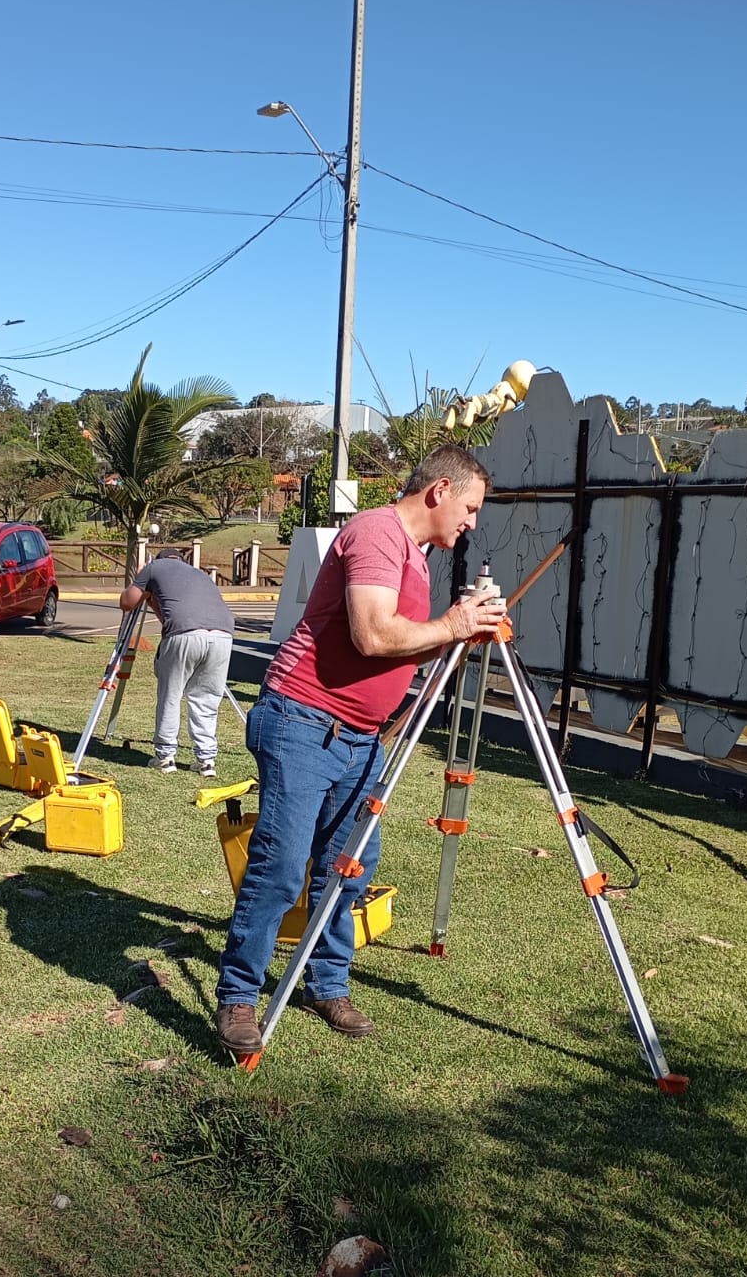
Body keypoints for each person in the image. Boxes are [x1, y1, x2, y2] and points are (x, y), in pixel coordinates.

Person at [213, 445, 507, 1055]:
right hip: (303, 720)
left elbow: (401, 646)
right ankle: (240, 997)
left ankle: (327, 984)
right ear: (439, 491)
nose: (472, 522)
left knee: (349, 867)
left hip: (359, 737)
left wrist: (461, 635)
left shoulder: (419, 558)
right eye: (471, 508)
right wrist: (452, 625)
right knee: (282, 863)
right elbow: (372, 635)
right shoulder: (376, 532)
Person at [118, 548, 235, 776]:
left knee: (170, 695)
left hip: (184, 635)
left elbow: (126, 602)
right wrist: (153, 600)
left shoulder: (153, 568)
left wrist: (141, 579)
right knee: (206, 699)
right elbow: (171, 615)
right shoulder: (199, 573)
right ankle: (206, 760)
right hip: (223, 636)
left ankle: (165, 756)